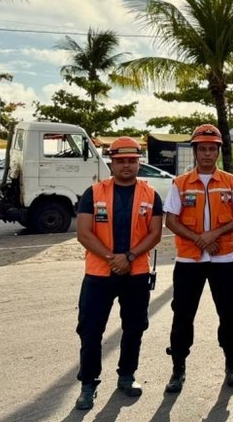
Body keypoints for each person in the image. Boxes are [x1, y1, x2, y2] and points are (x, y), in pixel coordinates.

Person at [73, 137, 163, 410]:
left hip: (135, 273)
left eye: (132, 161)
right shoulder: (93, 192)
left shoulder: (151, 195)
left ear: (139, 162)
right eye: (121, 160)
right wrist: (113, 259)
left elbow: (155, 233)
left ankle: (127, 376)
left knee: (134, 327)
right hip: (100, 273)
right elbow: (84, 233)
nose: (126, 165)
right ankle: (88, 384)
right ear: (111, 162)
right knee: (90, 330)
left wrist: (130, 257)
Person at [164, 124, 233, 393]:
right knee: (182, 315)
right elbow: (171, 220)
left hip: (222, 259)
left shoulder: (231, 182)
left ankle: (231, 365)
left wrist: (213, 235)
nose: (207, 153)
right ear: (195, 152)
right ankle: (178, 370)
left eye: (212, 148)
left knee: (228, 314)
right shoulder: (179, 183)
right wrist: (199, 239)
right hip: (189, 262)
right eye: (202, 149)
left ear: (218, 151)